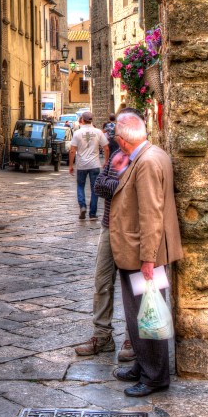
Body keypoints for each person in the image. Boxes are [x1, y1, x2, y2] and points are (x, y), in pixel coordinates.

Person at [109, 112, 183, 396]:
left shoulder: (147, 162)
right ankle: (143, 366)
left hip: (143, 254)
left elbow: (151, 214)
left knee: (147, 315)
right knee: (137, 314)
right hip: (140, 252)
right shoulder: (150, 154)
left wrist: (148, 259)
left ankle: (155, 377)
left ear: (120, 141)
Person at [74, 108, 143, 360]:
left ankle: (132, 339)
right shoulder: (115, 155)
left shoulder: (142, 158)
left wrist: (119, 184)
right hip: (108, 225)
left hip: (132, 231)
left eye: (122, 127)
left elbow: (135, 193)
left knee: (133, 287)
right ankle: (102, 336)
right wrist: (121, 184)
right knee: (102, 283)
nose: (117, 133)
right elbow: (101, 186)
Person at [68, 111, 109, 220]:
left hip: (81, 165)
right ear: (92, 119)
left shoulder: (77, 133)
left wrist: (71, 165)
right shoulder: (98, 132)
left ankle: (82, 206)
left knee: (80, 186)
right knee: (95, 189)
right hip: (95, 164)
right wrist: (106, 161)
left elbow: (72, 150)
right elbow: (106, 148)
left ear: (82, 120)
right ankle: (92, 214)